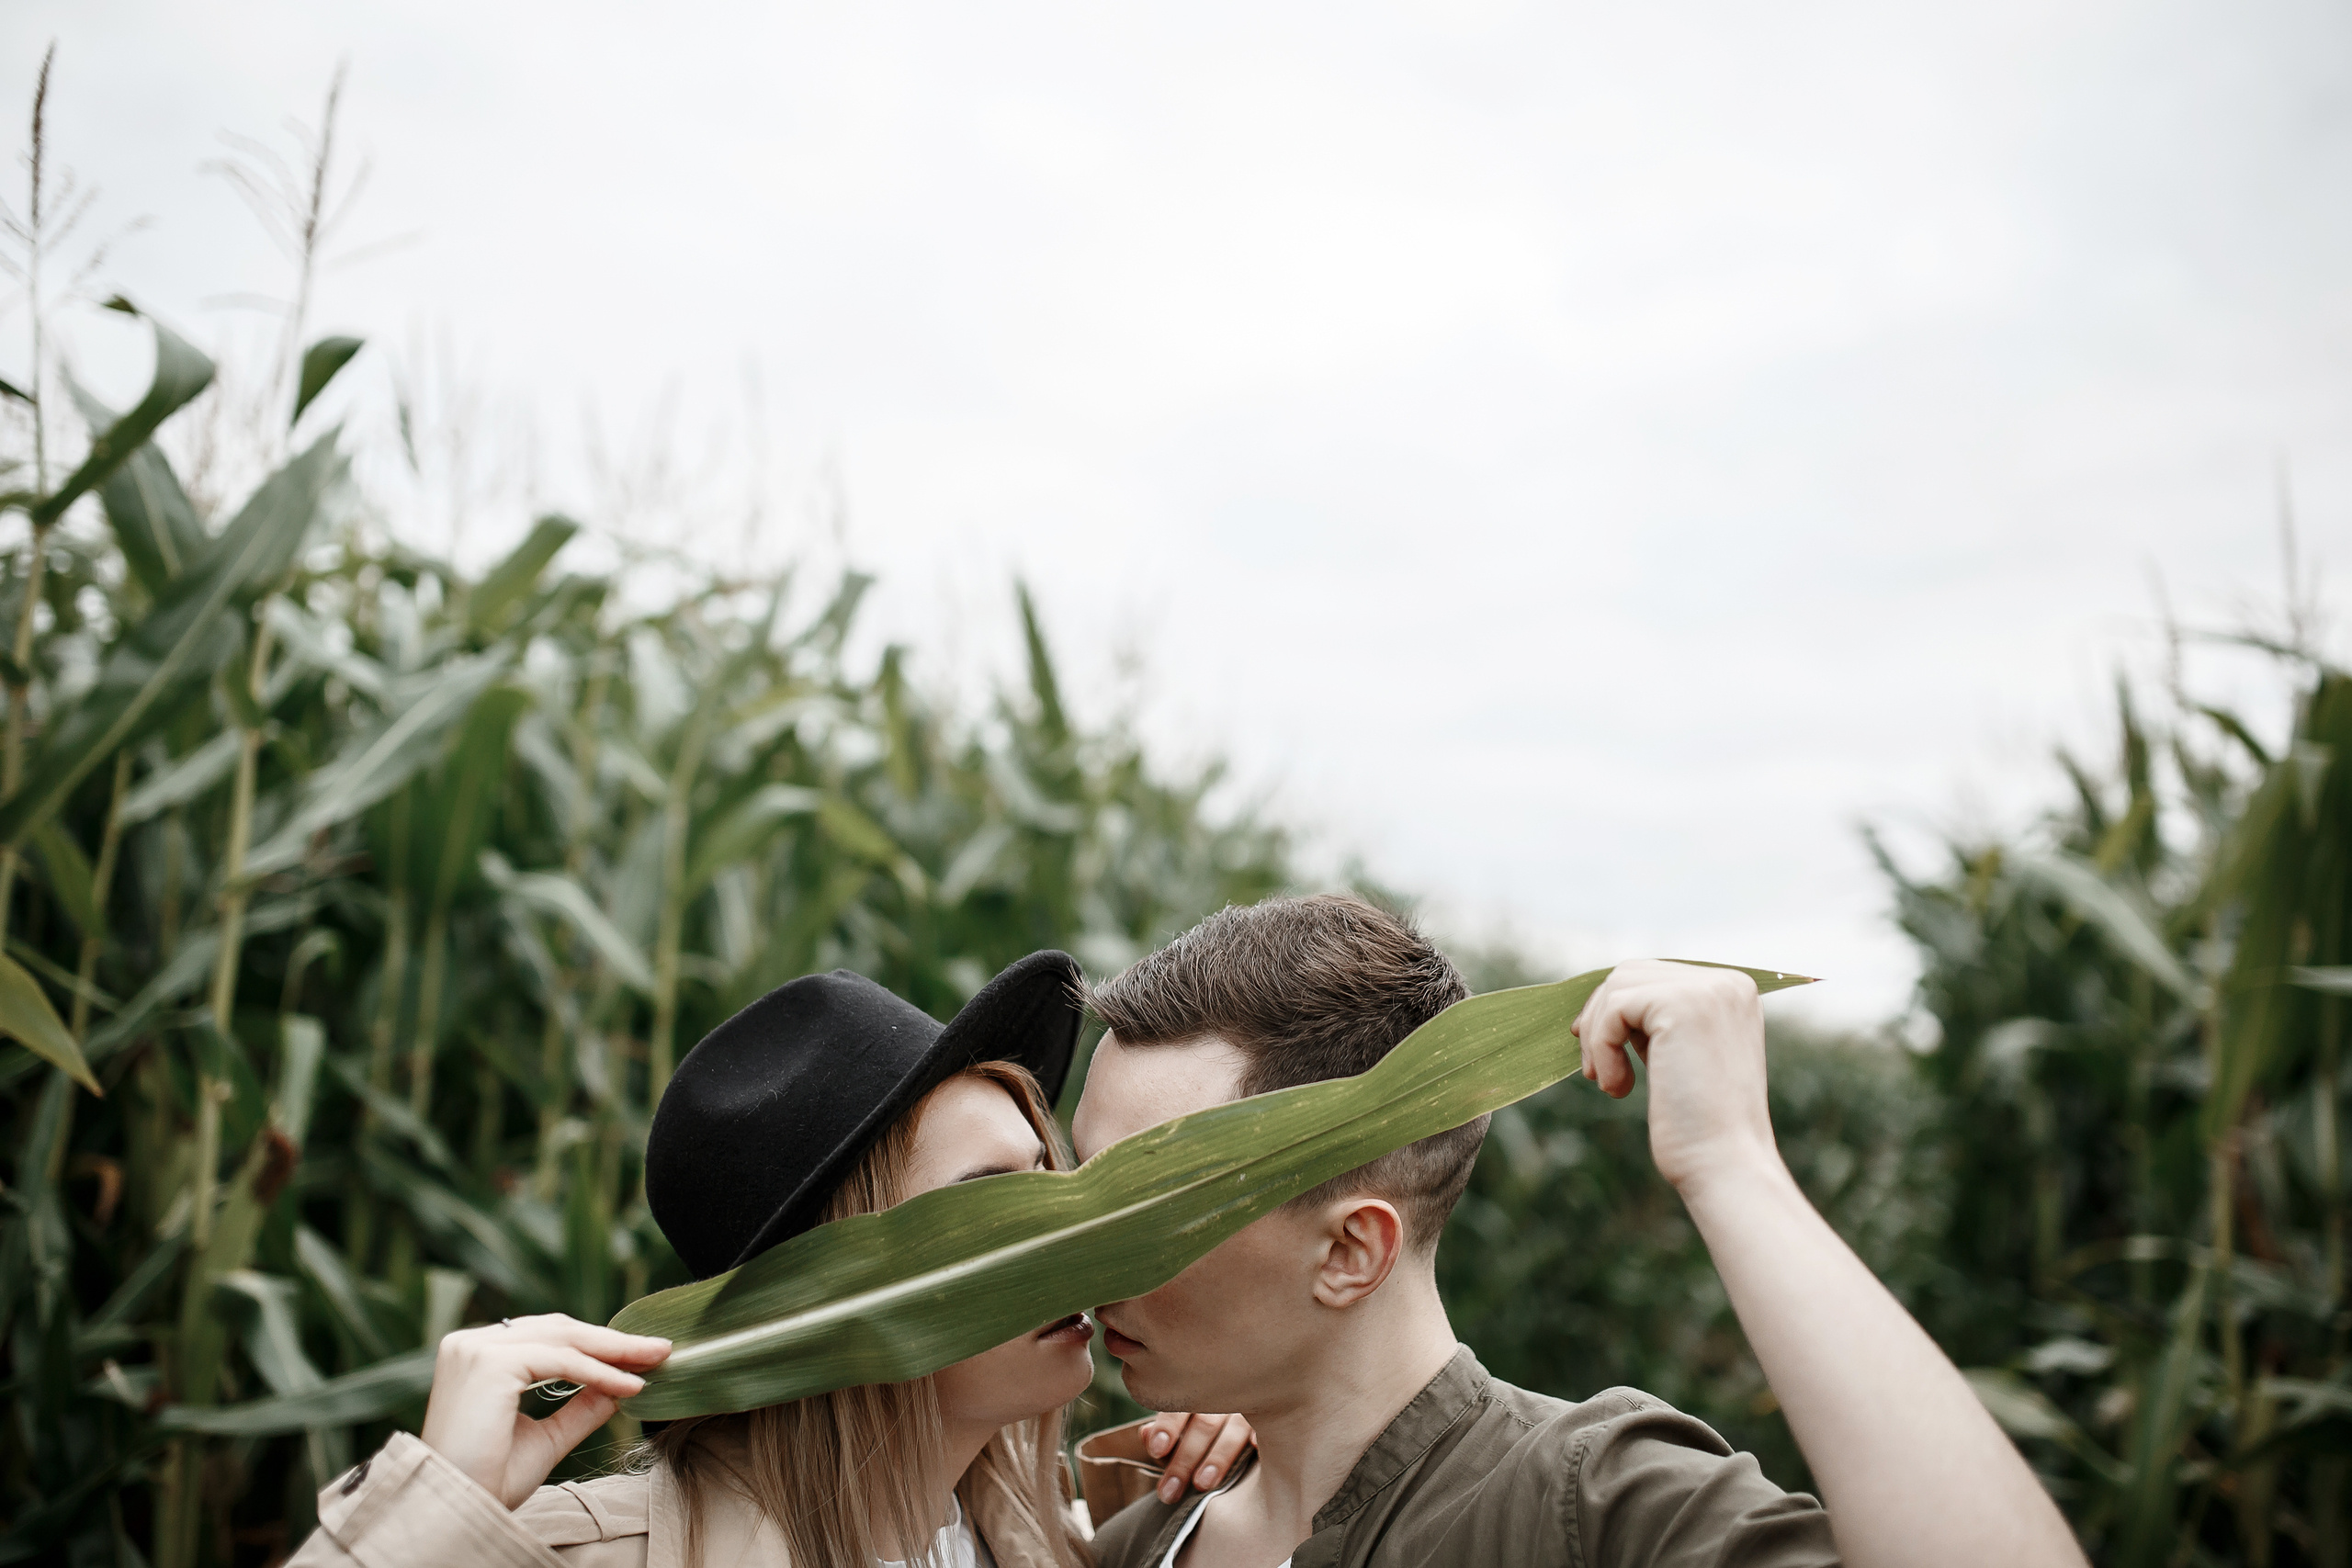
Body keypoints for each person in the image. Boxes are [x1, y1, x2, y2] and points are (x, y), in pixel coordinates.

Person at [1069, 895, 2088, 1568]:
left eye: (1144, 1206)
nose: (1072, 1252)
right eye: (1066, 1191)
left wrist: (1730, 1162)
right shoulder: (1144, 1539)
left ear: (1349, 1252)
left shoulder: (1586, 1510)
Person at [290, 953, 1249, 1568]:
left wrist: (1255, 1455)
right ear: (830, 1295)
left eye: (1051, 1178)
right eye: (988, 1204)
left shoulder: (1038, 1539)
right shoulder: (571, 1556)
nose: (1065, 1232)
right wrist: (427, 1525)